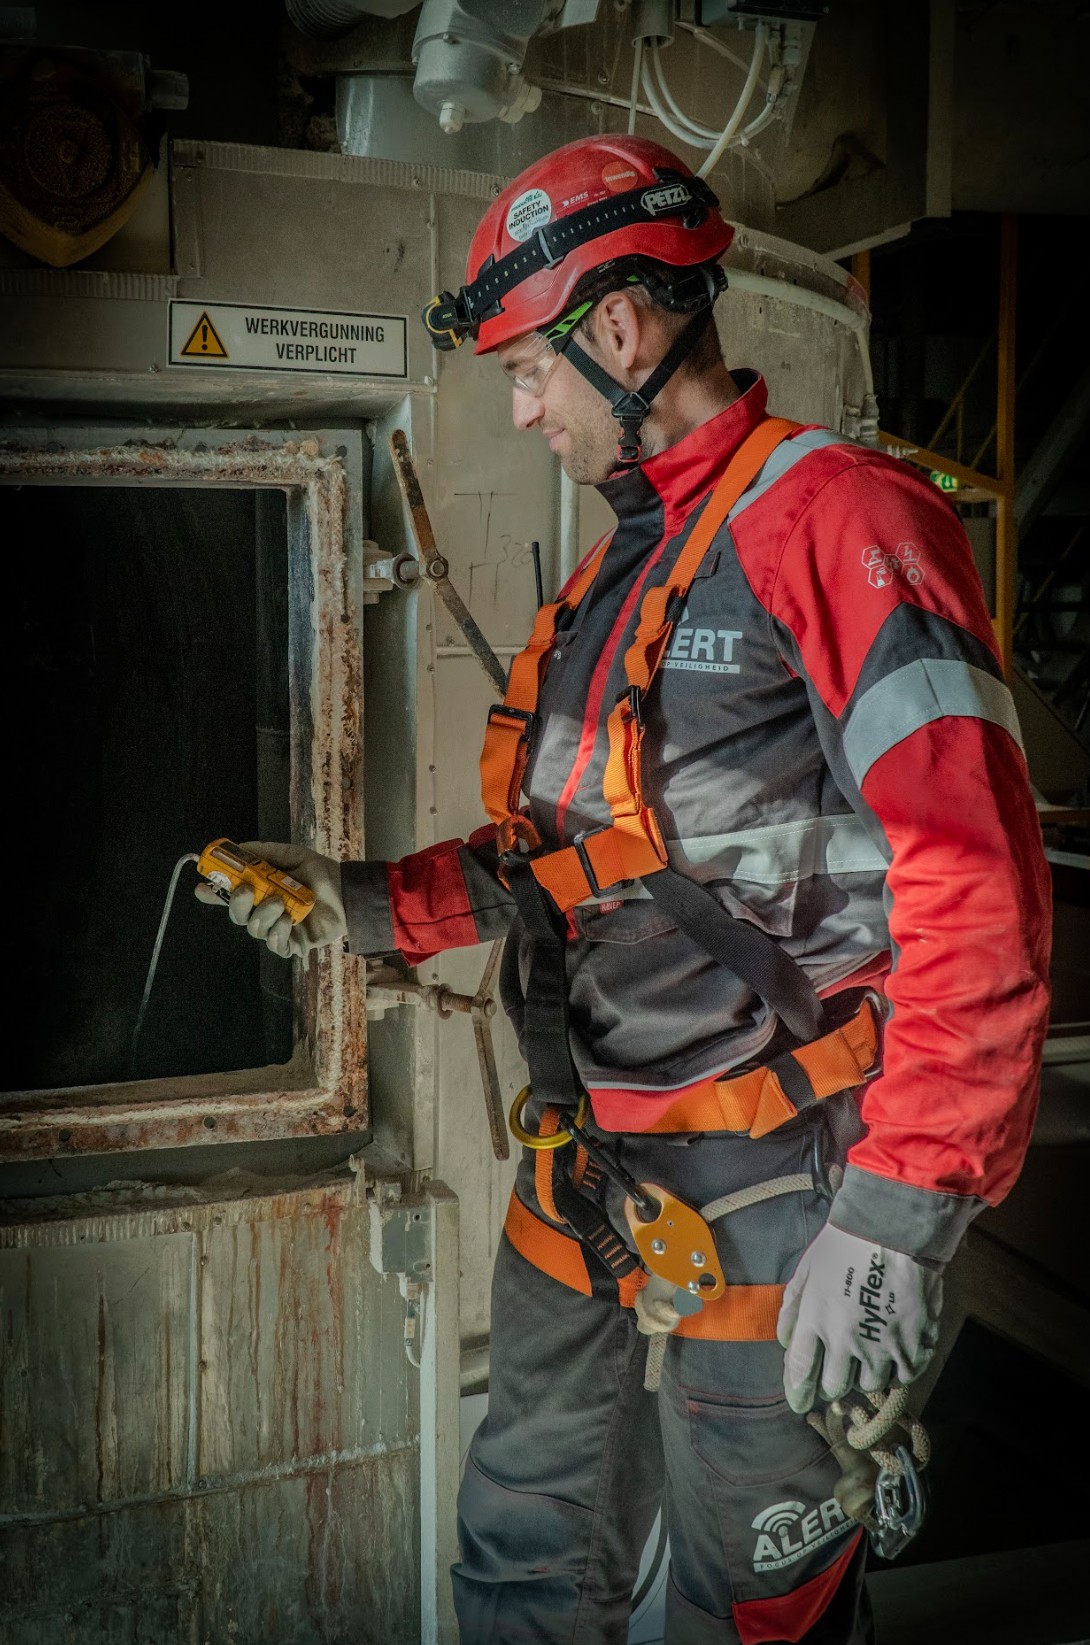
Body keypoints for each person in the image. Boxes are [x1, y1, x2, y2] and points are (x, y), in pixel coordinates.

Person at [199, 137, 1051, 1644]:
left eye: (530, 372)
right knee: (522, 1554)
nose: (523, 411)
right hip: (590, 1170)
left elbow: (975, 878)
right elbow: (579, 863)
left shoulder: (838, 522)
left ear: (618, 328)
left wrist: (898, 1216)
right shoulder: (625, 574)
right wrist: (354, 901)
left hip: (782, 1189)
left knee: (754, 1607)